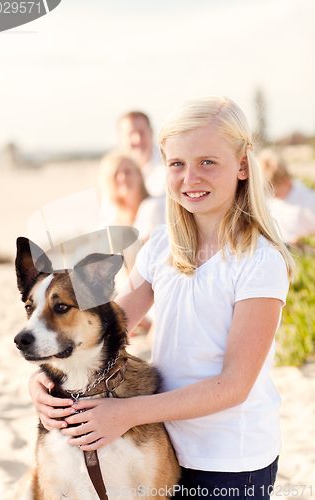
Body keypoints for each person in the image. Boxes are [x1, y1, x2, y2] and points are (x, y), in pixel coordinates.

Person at [29, 96, 294, 499]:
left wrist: (127, 413)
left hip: (228, 459)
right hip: (165, 443)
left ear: (242, 165)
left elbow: (234, 385)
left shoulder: (260, 261)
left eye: (208, 161)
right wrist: (42, 380)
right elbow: (108, 330)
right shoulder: (162, 247)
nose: (190, 177)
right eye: (177, 164)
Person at [99, 149, 165, 243]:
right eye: (115, 174)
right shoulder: (113, 215)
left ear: (139, 175)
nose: (122, 178)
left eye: (127, 172)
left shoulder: (153, 206)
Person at [257, 149, 315, 245]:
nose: (272, 196)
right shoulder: (269, 200)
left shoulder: (308, 199)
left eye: (275, 192)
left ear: (287, 181)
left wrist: (304, 238)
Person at [118, 111, 166, 197]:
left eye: (142, 132)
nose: (138, 139)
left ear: (151, 132)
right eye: (131, 134)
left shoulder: (167, 166)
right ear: (121, 138)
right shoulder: (116, 171)